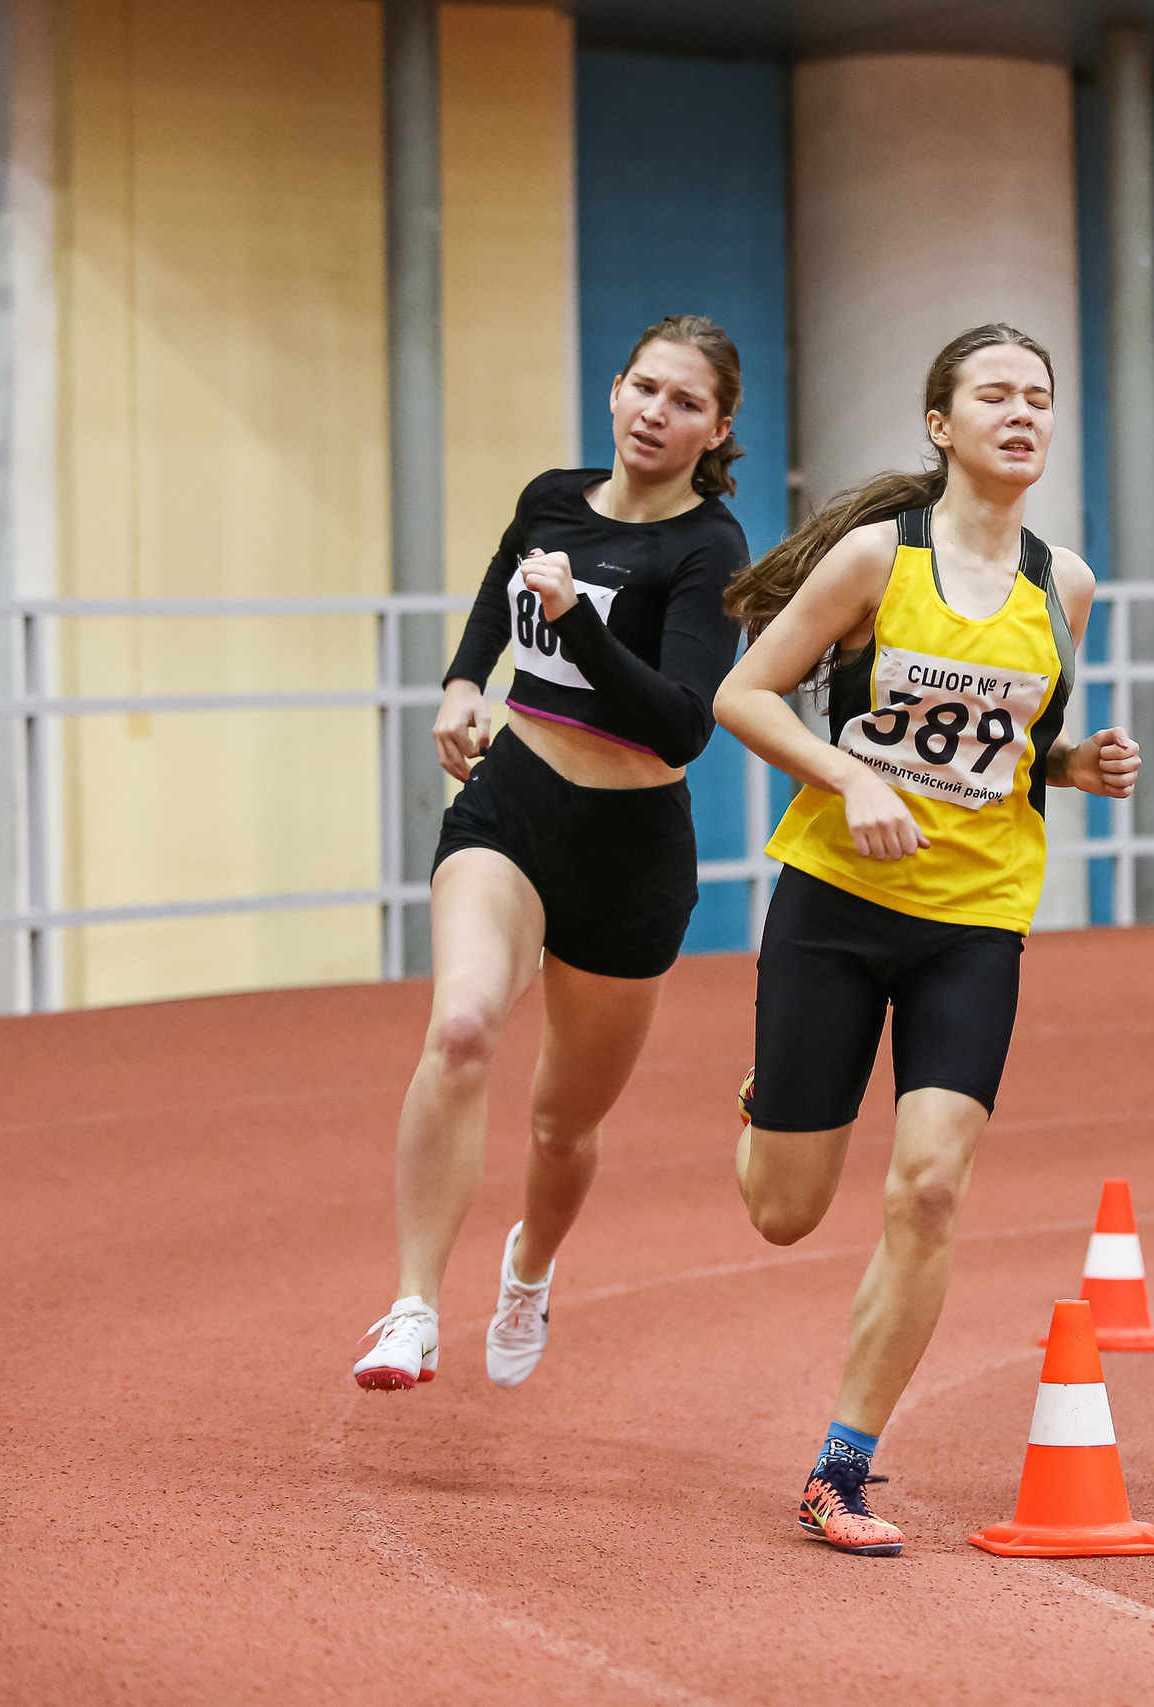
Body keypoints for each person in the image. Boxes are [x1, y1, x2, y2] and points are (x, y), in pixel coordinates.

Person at [712, 323, 1141, 1555]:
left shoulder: (1066, 587)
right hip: (837, 908)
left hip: (976, 920)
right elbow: (741, 696)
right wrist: (850, 780)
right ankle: (767, 1099)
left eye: (1040, 399)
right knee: (784, 1212)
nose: (1022, 413)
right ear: (942, 426)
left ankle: (840, 1464)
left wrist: (1072, 761)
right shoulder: (869, 561)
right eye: (994, 395)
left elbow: (1006, 754)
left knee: (932, 1187)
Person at [351, 315, 749, 1393]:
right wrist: (462, 681)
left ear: (717, 428)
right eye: (643, 388)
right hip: (515, 806)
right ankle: (412, 1307)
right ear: (614, 388)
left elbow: (680, 725)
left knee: (562, 1129)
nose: (654, 415)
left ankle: (528, 1266)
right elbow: (502, 581)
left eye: (683, 403)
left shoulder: (711, 546)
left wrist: (576, 625)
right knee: (466, 1024)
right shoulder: (552, 498)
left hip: (631, 857)